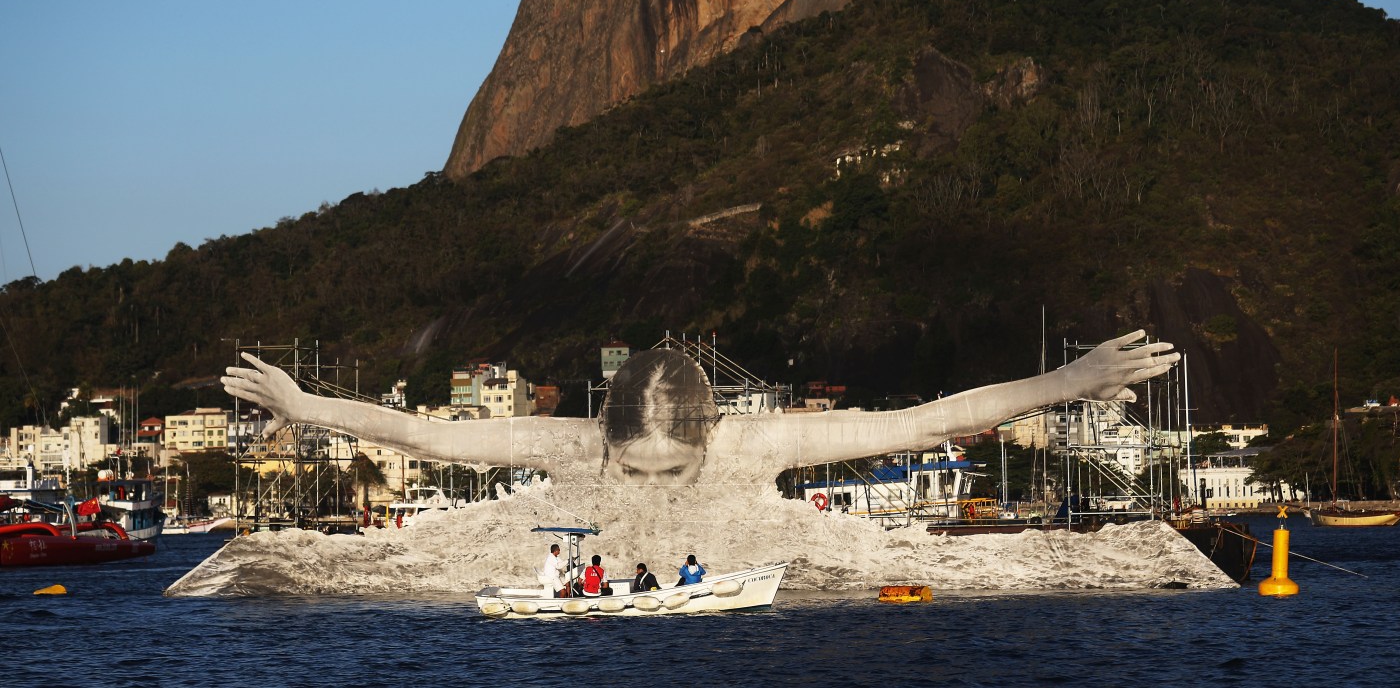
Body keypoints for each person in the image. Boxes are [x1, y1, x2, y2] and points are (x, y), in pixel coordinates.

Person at [222, 332, 1178, 488]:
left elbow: (926, 422)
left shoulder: (761, 441)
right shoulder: (563, 446)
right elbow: (420, 432)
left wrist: (1065, 382)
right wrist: (306, 405)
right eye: (636, 471)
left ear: (708, 438)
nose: (653, 492)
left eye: (669, 474)